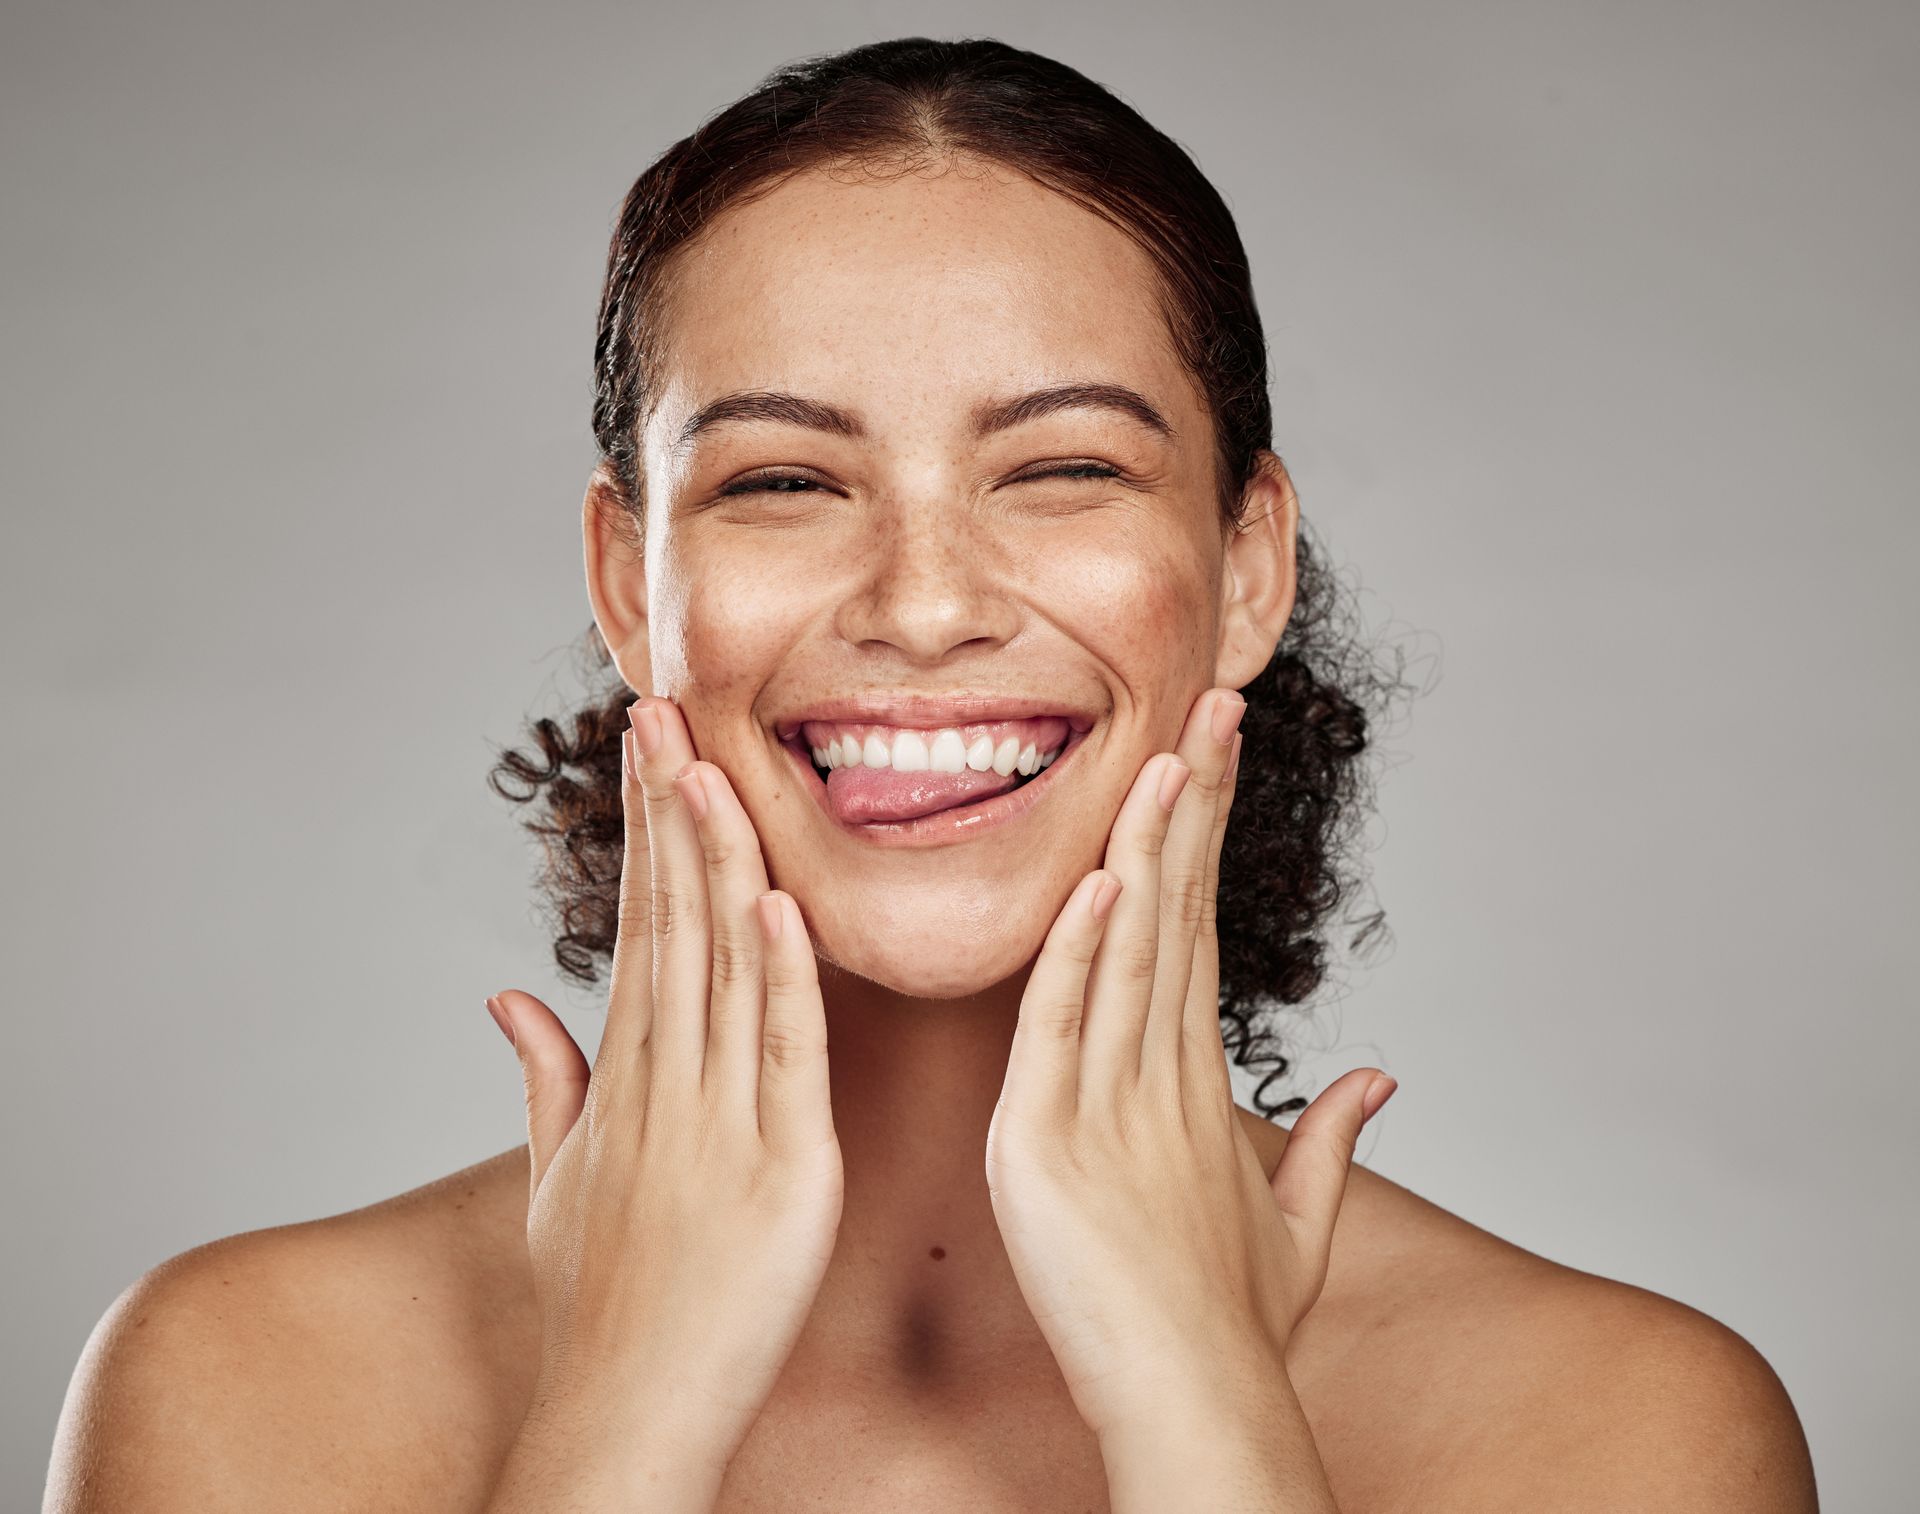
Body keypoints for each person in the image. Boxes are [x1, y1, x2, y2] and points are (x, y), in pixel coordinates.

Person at [44, 36, 1817, 1513]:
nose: (923, 604)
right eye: (782, 484)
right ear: (625, 584)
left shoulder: (1625, 1429)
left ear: (1249, 563)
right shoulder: (237, 1387)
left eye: (1059, 470)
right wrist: (624, 1408)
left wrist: (1205, 1410)